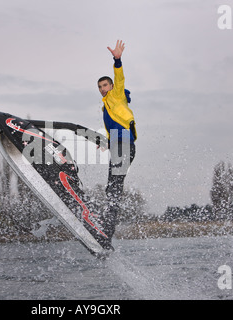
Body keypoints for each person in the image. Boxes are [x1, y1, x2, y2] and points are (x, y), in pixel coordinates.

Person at [97, 40, 137, 241]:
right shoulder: (107, 108)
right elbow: (115, 129)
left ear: (111, 86)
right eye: (100, 87)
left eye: (105, 85)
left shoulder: (117, 95)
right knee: (112, 188)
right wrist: (106, 143)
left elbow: (119, 78)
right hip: (118, 146)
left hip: (124, 146)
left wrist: (117, 59)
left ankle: (106, 232)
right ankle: (106, 231)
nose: (103, 89)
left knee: (113, 189)